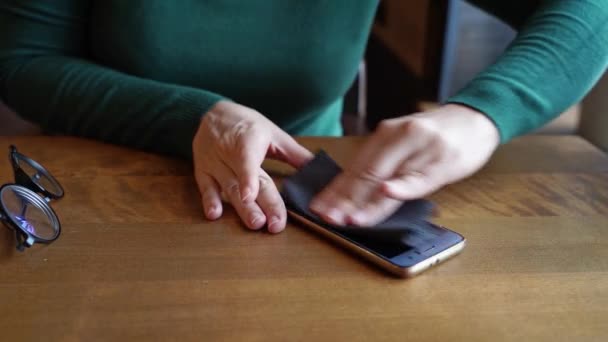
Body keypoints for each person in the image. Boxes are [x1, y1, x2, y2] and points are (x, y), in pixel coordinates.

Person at [1, 1, 606, 233]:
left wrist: (483, 115)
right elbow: (21, 59)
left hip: (302, 191)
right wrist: (194, 116)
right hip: (109, 188)